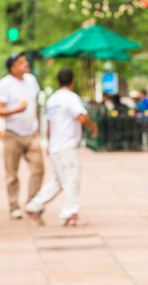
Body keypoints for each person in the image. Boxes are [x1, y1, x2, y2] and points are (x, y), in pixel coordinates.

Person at [25, 68, 98, 226]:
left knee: (59, 179)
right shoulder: (71, 98)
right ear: (73, 80)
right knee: (71, 179)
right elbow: (81, 117)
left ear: (58, 82)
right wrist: (92, 126)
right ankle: (69, 214)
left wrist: (49, 144)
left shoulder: (52, 100)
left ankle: (35, 204)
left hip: (56, 146)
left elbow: (49, 125)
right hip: (67, 145)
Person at [0, 53, 43, 219]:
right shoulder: (5, 84)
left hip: (32, 133)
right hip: (13, 134)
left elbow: (35, 105)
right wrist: (15, 110)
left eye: (24, 61)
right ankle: (14, 205)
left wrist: (38, 127)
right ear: (13, 68)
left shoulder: (31, 80)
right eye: (21, 62)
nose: (25, 63)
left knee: (38, 169)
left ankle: (31, 202)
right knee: (12, 173)